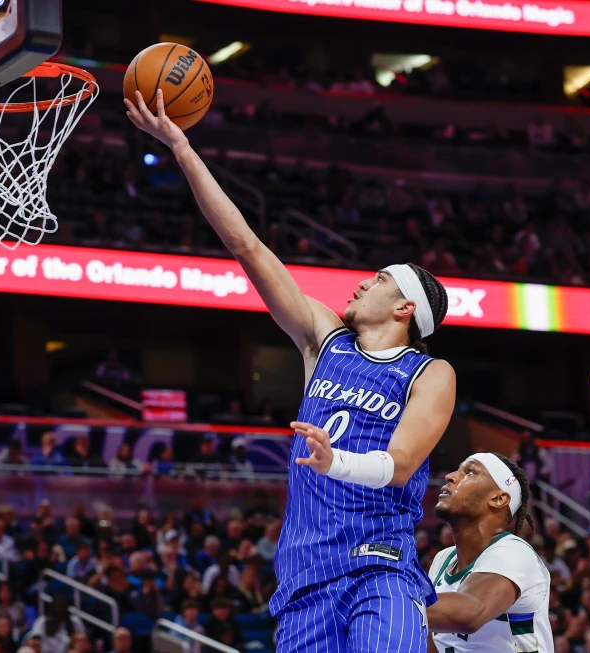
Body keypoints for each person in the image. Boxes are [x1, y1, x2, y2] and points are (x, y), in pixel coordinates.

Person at [127, 89, 455, 652]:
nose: (362, 282)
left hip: (380, 567)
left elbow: (401, 466)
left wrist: (335, 461)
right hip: (306, 579)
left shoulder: (429, 371)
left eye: (379, 279)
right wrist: (181, 147)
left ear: (406, 308)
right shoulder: (323, 340)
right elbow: (248, 247)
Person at [426, 453, 553, 653]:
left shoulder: (514, 552)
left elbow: (469, 613)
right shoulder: (442, 560)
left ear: (498, 498)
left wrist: (385, 599)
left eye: (469, 472)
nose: (450, 476)